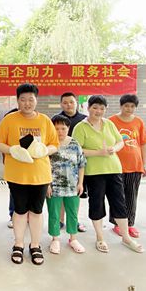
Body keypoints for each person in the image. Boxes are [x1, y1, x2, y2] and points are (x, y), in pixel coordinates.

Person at [0, 83, 58, 266]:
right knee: (20, 210)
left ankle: (35, 245)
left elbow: (55, 144)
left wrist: (45, 150)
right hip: (17, 175)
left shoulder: (45, 120)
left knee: (37, 211)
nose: (27, 103)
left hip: (40, 175)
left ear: (36, 100)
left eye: (31, 99)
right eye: (23, 99)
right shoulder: (9, 120)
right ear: (17, 101)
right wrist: (12, 150)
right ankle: (18, 244)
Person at [72, 95, 143, 254]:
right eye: (95, 107)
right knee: (97, 204)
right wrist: (98, 152)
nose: (98, 111)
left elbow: (120, 141)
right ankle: (100, 238)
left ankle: (126, 237)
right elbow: (76, 149)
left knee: (120, 203)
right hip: (94, 172)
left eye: (102, 108)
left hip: (114, 169)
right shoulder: (80, 127)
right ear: (88, 108)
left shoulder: (109, 123)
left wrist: (114, 149)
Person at [109, 94, 146, 238]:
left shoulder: (138, 122)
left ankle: (130, 224)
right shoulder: (111, 121)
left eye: (132, 106)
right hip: (116, 165)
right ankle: (117, 224)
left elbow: (143, 144)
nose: (129, 109)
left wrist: (144, 164)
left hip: (135, 165)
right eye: (126, 106)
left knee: (132, 196)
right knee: (117, 196)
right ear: (121, 106)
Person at [47, 115, 86, 254]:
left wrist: (80, 183)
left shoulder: (75, 144)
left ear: (68, 128)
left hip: (72, 186)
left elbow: (82, 164)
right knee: (54, 213)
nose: (60, 131)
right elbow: (43, 166)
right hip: (54, 187)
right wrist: (47, 185)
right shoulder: (49, 145)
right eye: (56, 128)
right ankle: (55, 239)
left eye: (63, 128)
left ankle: (73, 238)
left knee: (72, 213)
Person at [56, 92, 88, 232]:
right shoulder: (56, 119)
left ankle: (74, 220)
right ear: (61, 104)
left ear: (76, 103)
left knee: (75, 193)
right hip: (59, 165)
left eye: (71, 102)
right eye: (65, 102)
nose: (68, 105)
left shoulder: (84, 120)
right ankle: (60, 220)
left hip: (76, 163)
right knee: (60, 194)